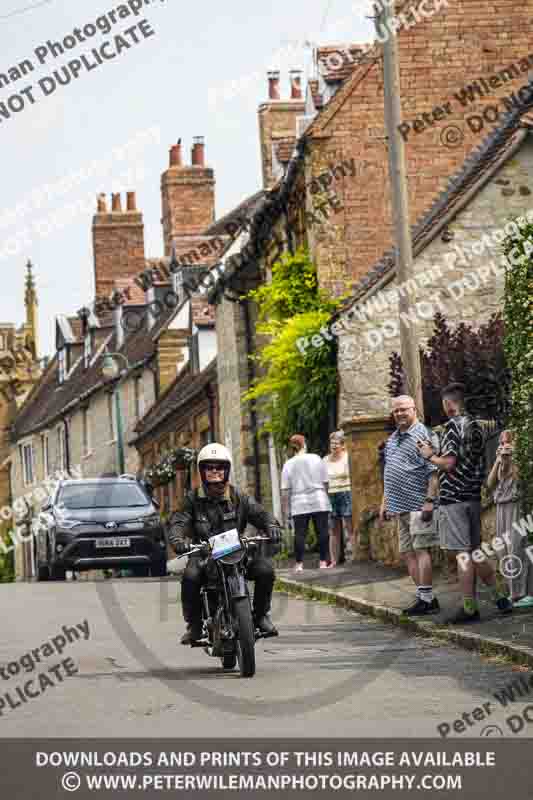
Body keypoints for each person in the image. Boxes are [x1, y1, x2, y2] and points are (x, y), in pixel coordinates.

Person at [167, 443, 283, 644]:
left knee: (265, 570)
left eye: (219, 467)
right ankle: (194, 625)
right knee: (190, 577)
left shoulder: (239, 497)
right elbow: (179, 522)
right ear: (201, 471)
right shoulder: (192, 500)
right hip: (204, 554)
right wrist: (178, 539)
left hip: (236, 552)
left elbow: (260, 513)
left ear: (227, 469)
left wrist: (271, 525)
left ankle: (261, 616)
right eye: (209, 467)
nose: (214, 471)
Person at [417, 383, 513, 623]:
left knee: (463, 554)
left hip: (454, 499)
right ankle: (501, 597)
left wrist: (429, 455)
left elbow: (448, 463)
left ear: (448, 405)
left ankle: (469, 607)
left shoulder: (452, 428)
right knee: (475, 550)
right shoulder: (478, 426)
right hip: (472, 495)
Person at [379, 395, 440, 615]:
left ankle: (425, 599)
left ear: (414, 409)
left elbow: (433, 473)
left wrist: (429, 501)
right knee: (407, 553)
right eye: (396, 411)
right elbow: (389, 472)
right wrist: (384, 503)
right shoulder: (393, 438)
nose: (399, 414)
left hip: (418, 505)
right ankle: (427, 598)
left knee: (421, 550)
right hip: (397, 507)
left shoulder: (424, 434)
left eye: (403, 409)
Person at [487, 430, 533, 606]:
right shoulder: (500, 459)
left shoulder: (520, 458)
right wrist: (498, 461)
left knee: (518, 548)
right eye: (501, 442)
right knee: (504, 550)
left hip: (515, 506)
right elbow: (490, 484)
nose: (503, 446)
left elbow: (517, 478)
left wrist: (510, 459)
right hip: (500, 508)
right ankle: (514, 592)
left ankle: (524, 593)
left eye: (507, 442)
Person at [281, 434, 331, 572]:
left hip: (299, 502)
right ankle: (323, 562)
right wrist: (326, 498)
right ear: (304, 444)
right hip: (319, 499)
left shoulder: (288, 464)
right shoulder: (316, 458)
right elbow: (325, 482)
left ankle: (299, 564)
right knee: (322, 531)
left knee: (300, 534)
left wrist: (286, 511)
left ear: (293, 447)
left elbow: (285, 491)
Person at [323, 430, 353, 567]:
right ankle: (334, 561)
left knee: (349, 526)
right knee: (333, 530)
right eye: (332, 443)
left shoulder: (348, 457)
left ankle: (356, 557)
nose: (333, 446)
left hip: (346, 492)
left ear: (343, 445)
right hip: (331, 495)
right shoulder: (325, 460)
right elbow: (323, 481)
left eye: (336, 444)